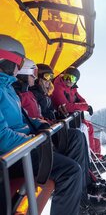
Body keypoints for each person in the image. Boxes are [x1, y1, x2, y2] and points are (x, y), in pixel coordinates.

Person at [0, 35, 82, 215]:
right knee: (70, 171)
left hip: (23, 148)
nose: (18, 70)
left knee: (74, 141)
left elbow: (26, 118)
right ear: (7, 60)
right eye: (19, 64)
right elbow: (2, 138)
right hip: (11, 156)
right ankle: (79, 199)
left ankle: (81, 194)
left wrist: (39, 125)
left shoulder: (7, 89)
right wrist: (35, 141)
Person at [51, 66, 101, 156]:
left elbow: (83, 101)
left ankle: (95, 155)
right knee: (84, 128)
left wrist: (83, 106)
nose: (69, 80)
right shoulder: (58, 87)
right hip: (64, 119)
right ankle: (89, 156)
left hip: (73, 118)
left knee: (89, 127)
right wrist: (84, 107)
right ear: (63, 76)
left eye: (72, 78)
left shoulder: (72, 88)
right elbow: (66, 106)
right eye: (67, 77)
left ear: (76, 81)